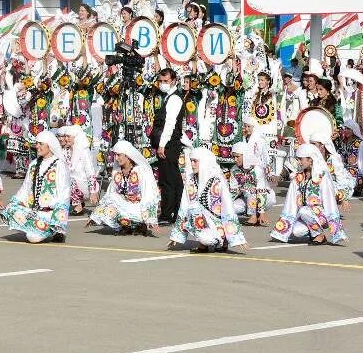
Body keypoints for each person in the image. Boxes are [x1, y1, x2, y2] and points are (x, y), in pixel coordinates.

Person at [168, 147, 247, 252]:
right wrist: (177, 236)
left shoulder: (217, 180)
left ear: (204, 162)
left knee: (205, 231)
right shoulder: (191, 179)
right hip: (202, 223)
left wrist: (236, 238)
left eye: (195, 161)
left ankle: (223, 239)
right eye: (191, 161)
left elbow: (228, 209)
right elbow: (184, 206)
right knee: (193, 208)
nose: (192, 164)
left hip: (217, 223)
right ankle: (204, 243)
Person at [1, 130, 71, 243]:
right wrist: (15, 201)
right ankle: (36, 226)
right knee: (10, 209)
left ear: (50, 146)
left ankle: (52, 229)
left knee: (32, 238)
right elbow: (25, 188)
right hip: (33, 210)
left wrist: (59, 222)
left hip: (49, 213)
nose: (37, 146)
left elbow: (64, 193)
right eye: (36, 143)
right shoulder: (34, 164)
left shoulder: (59, 165)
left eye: (40, 144)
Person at [270, 144, 347, 245]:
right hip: (305, 215)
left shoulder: (322, 177)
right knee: (296, 232)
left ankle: (320, 235)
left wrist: (336, 230)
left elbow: (330, 202)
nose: (299, 162)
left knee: (304, 210)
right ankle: (313, 232)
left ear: (310, 160)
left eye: (301, 159)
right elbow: (290, 204)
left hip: (322, 216)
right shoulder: (297, 178)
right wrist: (282, 229)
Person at [88, 140, 160, 235]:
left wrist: (150, 218)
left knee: (124, 209)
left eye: (119, 155)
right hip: (124, 205)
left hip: (138, 207)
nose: (116, 158)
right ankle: (125, 225)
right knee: (111, 199)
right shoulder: (117, 171)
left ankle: (138, 224)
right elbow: (111, 192)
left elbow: (149, 193)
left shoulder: (141, 170)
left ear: (127, 155)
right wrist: (95, 215)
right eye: (115, 155)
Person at [150, 68, 184, 225]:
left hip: (169, 144)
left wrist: (162, 145)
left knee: (169, 180)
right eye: (161, 81)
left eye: (166, 81)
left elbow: (170, 124)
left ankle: (168, 213)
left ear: (174, 81)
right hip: (167, 143)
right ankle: (176, 211)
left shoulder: (175, 99)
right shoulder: (168, 97)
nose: (163, 84)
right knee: (172, 178)